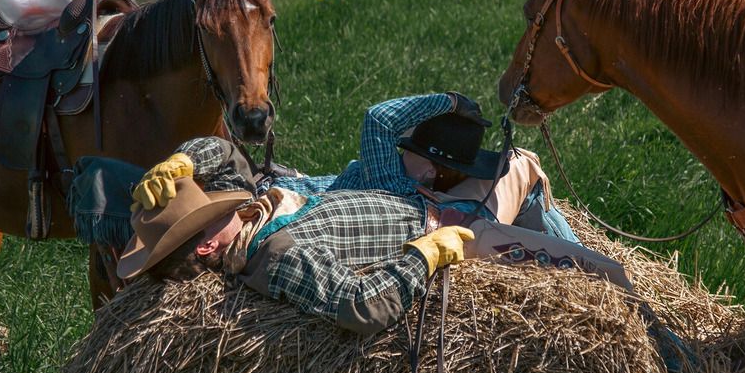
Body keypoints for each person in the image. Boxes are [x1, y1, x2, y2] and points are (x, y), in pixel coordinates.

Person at [87, 136, 633, 336]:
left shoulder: (252, 220)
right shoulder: (276, 254)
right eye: (206, 209)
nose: (219, 197)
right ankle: (645, 321)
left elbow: (227, 156)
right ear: (207, 245)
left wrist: (184, 159)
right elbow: (358, 305)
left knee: (500, 161)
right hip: (457, 230)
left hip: (425, 203)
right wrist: (425, 256)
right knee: (523, 167)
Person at [246, 92, 580, 243]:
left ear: (430, 171)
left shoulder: (391, 184)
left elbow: (378, 119)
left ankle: (580, 257)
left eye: (413, 151)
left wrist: (450, 101)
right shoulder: (428, 195)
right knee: (527, 180)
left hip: (261, 197)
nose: (402, 149)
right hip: (288, 189)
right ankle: (579, 255)